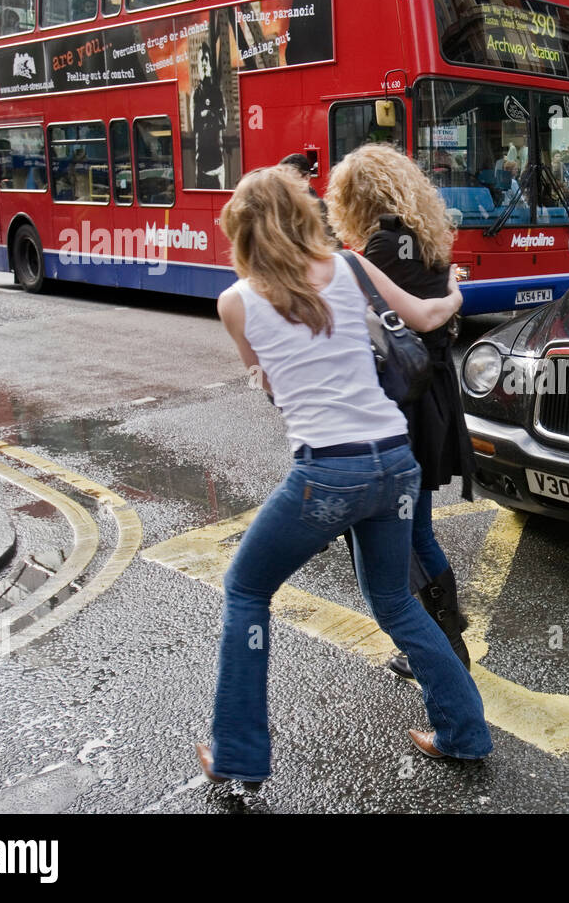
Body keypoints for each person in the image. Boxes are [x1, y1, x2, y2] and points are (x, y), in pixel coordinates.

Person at [197, 166, 491, 787]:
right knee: (393, 600)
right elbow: (429, 315)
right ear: (306, 215)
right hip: (395, 460)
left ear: (239, 230)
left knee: (247, 591)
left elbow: (273, 389)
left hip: (327, 472)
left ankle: (239, 752)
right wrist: (459, 292)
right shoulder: (352, 269)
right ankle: (464, 731)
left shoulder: (236, 302)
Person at [326, 143, 476, 679]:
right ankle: (444, 639)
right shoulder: (426, 240)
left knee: (409, 534)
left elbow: (393, 320)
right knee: (419, 529)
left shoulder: (383, 248)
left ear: (355, 198)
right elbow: (437, 308)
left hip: (404, 404)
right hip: (430, 395)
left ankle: (440, 647)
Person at [193, 43, 226, 188]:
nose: (204, 63)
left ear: (211, 65)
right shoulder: (195, 94)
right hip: (201, 167)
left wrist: (208, 113)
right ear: (198, 66)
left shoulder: (217, 92)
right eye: (201, 60)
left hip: (218, 166)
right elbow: (194, 125)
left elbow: (223, 121)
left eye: (207, 59)